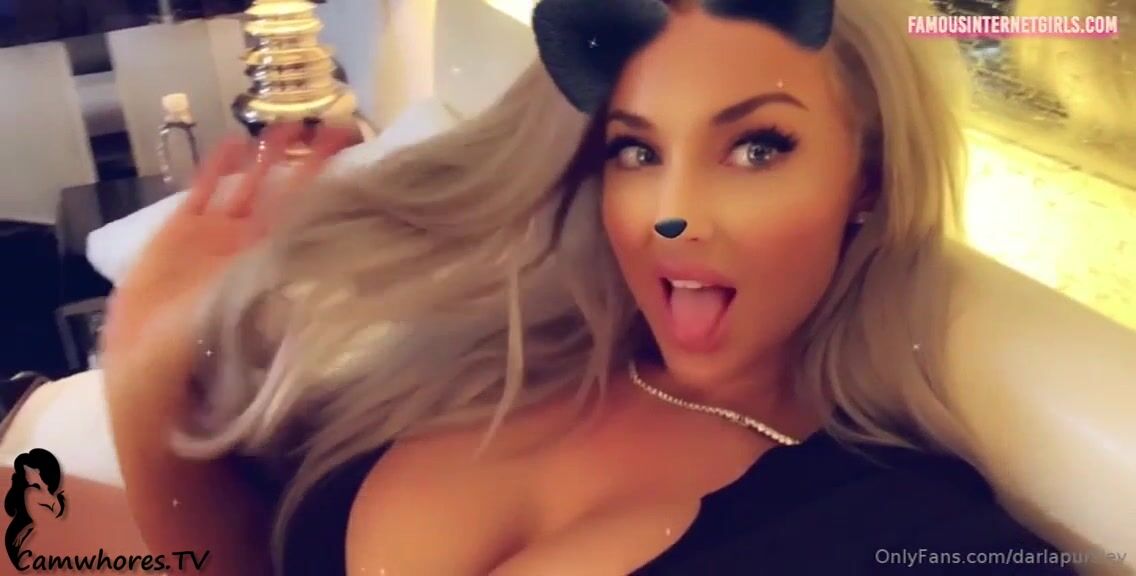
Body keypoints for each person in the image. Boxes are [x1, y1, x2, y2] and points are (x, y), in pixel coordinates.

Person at [102, 0, 1074, 574]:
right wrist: (145, 377)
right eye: (635, 150)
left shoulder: (910, 530)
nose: (672, 216)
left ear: (866, 180)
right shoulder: (473, 362)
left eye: (755, 147)